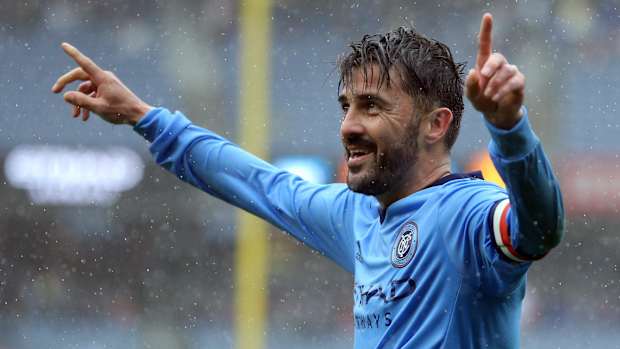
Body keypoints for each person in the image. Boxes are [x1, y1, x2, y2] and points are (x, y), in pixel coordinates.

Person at [52, 13, 563, 349]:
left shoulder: (466, 216)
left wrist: (509, 129)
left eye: (372, 107)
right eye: (347, 107)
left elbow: (539, 227)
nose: (348, 126)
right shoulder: (357, 214)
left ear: (437, 124)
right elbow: (253, 181)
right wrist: (143, 114)